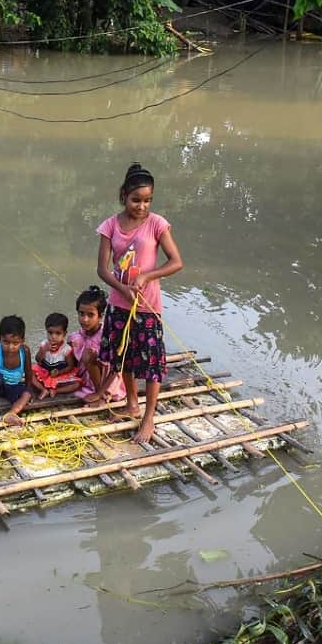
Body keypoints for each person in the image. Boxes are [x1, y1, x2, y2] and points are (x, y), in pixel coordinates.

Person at [94, 163, 183, 443]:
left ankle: (148, 419)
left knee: (152, 363)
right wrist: (122, 288)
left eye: (147, 201)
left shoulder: (157, 223)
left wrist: (147, 275)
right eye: (136, 200)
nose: (141, 206)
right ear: (123, 195)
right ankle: (132, 403)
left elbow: (176, 262)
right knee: (124, 359)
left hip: (147, 306)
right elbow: (103, 269)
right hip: (120, 304)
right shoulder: (110, 225)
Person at [70, 286, 124, 402]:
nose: (84, 319)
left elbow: (116, 366)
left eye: (90, 315)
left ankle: (100, 393)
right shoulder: (77, 336)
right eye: (81, 313)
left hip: (108, 380)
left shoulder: (107, 335)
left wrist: (100, 392)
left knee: (88, 354)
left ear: (100, 315)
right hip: (87, 377)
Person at [32, 313, 80, 399]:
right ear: (46, 331)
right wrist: (43, 350)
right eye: (50, 333)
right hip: (45, 372)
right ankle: (43, 389)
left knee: (77, 384)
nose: (53, 337)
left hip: (58, 375)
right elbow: (38, 359)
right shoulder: (44, 344)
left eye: (58, 333)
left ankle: (55, 390)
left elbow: (70, 366)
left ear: (64, 334)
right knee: (30, 373)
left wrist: (59, 372)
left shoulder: (66, 349)